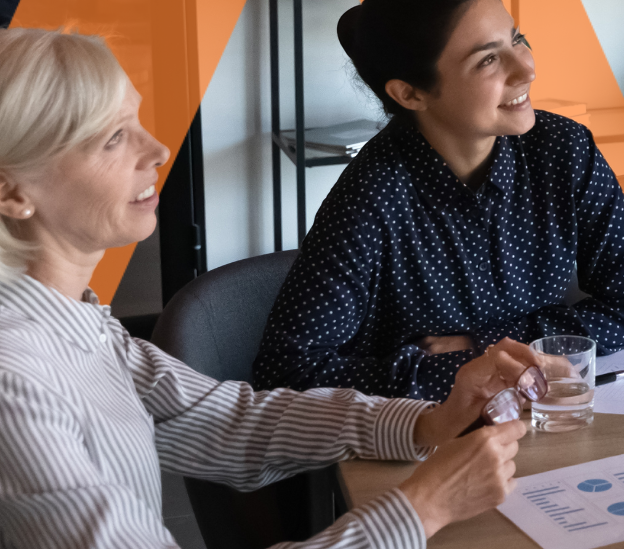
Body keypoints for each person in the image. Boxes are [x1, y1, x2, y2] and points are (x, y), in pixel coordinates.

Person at [0, 28, 531, 547]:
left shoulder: (74, 325)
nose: (159, 150)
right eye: (113, 138)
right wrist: (422, 508)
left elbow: (226, 421)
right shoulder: (16, 382)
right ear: (11, 192)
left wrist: (427, 423)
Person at [254, 0, 624, 401]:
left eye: (516, 38)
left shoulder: (561, 148)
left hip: (542, 417)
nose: (526, 69)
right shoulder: (372, 196)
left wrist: (487, 345)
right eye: (488, 59)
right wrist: (459, 371)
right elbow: (285, 373)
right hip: (417, 441)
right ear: (410, 94)